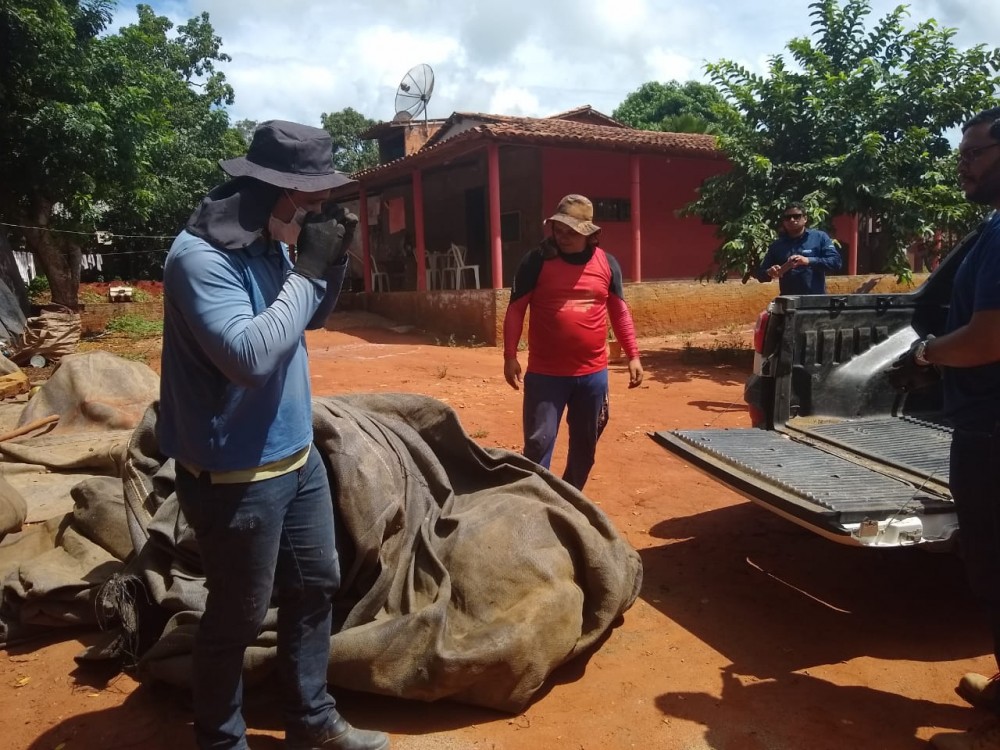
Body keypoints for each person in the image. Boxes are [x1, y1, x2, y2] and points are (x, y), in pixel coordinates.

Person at [158, 120, 390, 750]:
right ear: (275, 190)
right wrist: (309, 271)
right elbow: (250, 357)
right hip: (233, 474)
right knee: (235, 616)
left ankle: (311, 721)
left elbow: (305, 316)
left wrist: (330, 263)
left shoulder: (271, 242)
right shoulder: (199, 258)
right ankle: (221, 740)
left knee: (315, 587)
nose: (317, 208)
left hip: (295, 459)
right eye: (310, 198)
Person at [889, 107, 1000, 750]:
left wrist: (928, 355)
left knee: (998, 567)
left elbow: (988, 338)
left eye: (977, 152)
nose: (964, 163)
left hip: (994, 430)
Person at [502, 194, 643, 491]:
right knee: (538, 444)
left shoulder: (608, 264)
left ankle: (570, 496)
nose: (562, 237)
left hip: (593, 376)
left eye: (571, 231)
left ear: (589, 233)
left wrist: (633, 355)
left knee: (585, 445)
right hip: (546, 375)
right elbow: (516, 309)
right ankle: (537, 501)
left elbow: (619, 311)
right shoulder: (536, 261)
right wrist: (510, 355)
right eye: (558, 229)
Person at [755, 202, 842, 294]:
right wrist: (769, 272)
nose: (792, 220)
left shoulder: (819, 238)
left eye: (796, 216)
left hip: (815, 301)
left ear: (805, 219)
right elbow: (761, 275)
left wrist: (808, 261)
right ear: (784, 222)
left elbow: (836, 262)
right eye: (787, 218)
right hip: (789, 302)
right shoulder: (777, 246)